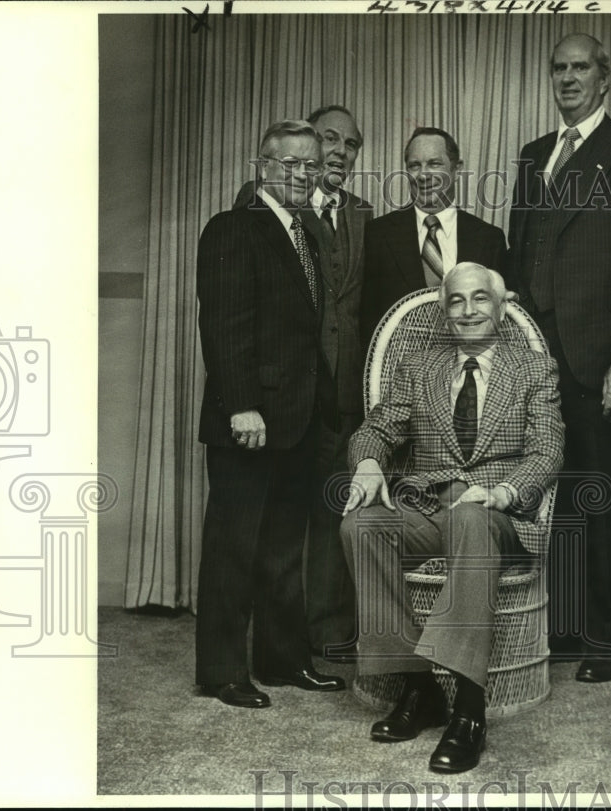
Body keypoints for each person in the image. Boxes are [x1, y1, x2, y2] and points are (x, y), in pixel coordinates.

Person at [340, 262, 564, 773]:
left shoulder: (532, 369)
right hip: (430, 508)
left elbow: (548, 449)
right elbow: (376, 427)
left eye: (480, 299)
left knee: (472, 520)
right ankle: (419, 687)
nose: (468, 310)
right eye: (456, 301)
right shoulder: (420, 366)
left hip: (498, 516)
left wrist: (505, 492)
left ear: (501, 308)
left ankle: (469, 706)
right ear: (445, 313)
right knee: (361, 524)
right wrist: (370, 461)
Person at [507, 33, 611, 682]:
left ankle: (606, 636)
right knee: (555, 499)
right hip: (539, 359)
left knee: (605, 497)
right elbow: (521, 257)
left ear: (605, 79)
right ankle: (566, 627)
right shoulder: (532, 155)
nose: (569, 78)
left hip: (599, 360)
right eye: (560, 68)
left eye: (581, 68)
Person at [194, 120, 346, 708]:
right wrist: (244, 407)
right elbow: (225, 326)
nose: (304, 174)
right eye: (291, 164)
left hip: (297, 420)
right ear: (263, 165)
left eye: (312, 165)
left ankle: (283, 661)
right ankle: (221, 670)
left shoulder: (304, 233)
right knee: (234, 545)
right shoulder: (233, 228)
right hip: (249, 422)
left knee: (285, 546)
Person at [234, 106, 372, 659]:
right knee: (279, 525)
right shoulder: (262, 208)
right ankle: (279, 641)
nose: (340, 151)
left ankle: (329, 632)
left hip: (345, 392)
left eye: (352, 144)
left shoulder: (364, 214)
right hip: (288, 395)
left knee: (335, 510)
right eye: (330, 139)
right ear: (309, 149)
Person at [360, 127, 507, 343]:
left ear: (457, 170)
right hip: (396, 370)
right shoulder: (377, 235)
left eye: (434, 164)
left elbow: (499, 320)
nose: (424, 175)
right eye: (414, 166)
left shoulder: (489, 239)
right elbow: (366, 321)